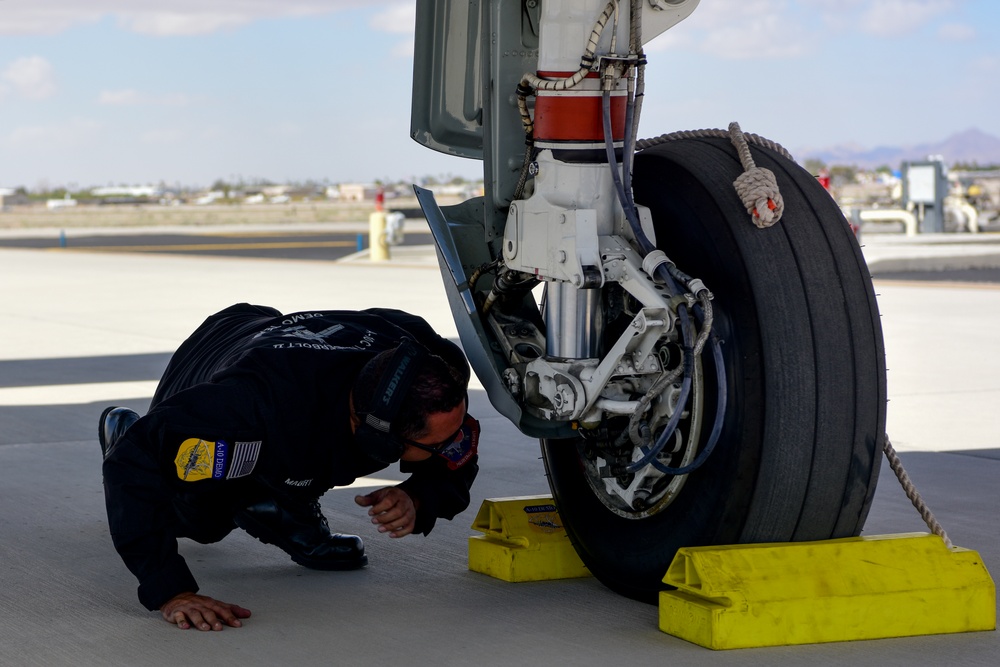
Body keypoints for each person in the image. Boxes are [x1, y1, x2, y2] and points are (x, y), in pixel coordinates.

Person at [100, 303, 479, 631]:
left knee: (294, 449)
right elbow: (132, 465)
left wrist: (421, 495)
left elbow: (457, 447)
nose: (452, 442)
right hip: (213, 355)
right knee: (198, 518)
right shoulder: (248, 409)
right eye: (436, 444)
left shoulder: (431, 366)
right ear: (379, 435)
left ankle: (280, 503)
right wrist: (171, 591)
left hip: (275, 344)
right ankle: (126, 428)